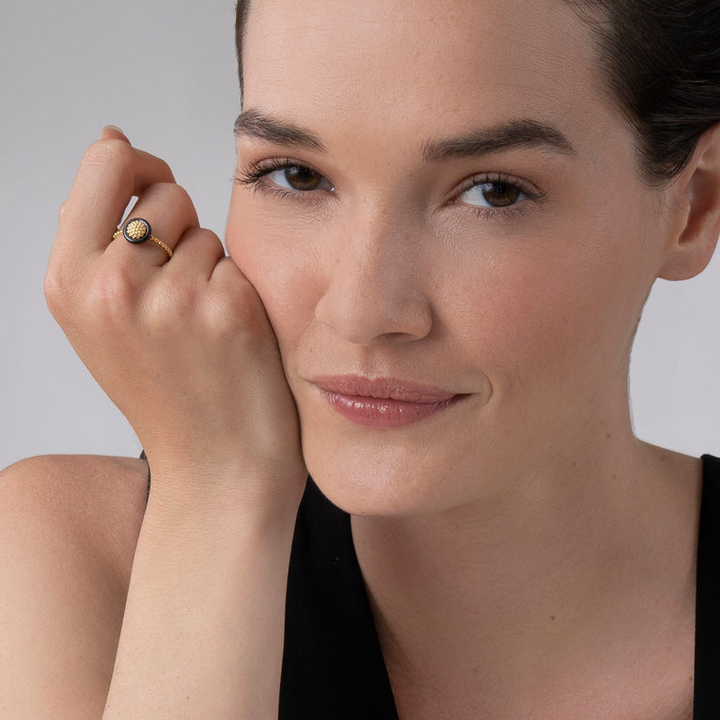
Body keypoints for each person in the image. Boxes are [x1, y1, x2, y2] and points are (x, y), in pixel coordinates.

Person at [1, 0, 719, 717]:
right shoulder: (80, 562)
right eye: (296, 176)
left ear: (694, 205)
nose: (361, 309)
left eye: (493, 192)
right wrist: (218, 493)